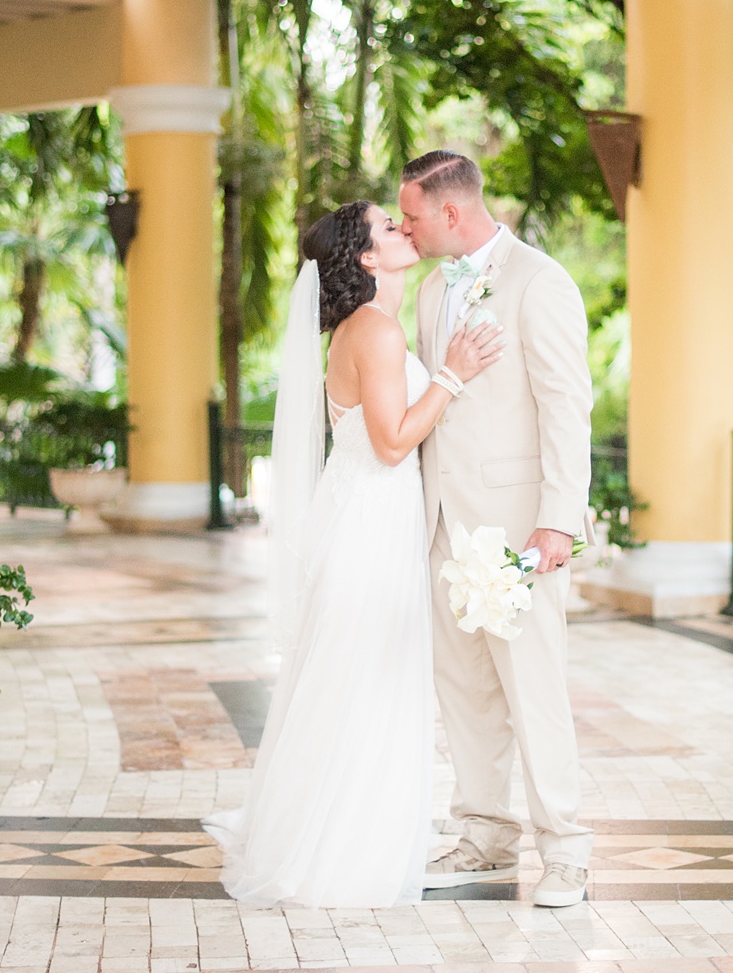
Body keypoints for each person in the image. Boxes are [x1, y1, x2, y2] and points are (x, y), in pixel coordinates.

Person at [204, 200, 504, 908]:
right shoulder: (373, 330)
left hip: (369, 515)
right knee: (364, 680)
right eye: (389, 226)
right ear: (366, 257)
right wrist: (453, 374)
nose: (405, 228)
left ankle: (351, 826)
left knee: (358, 678)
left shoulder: (369, 326)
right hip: (369, 524)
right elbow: (395, 440)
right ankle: (342, 847)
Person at [398, 150, 596, 908]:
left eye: (413, 215)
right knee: (466, 689)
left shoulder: (540, 283)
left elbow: (565, 407)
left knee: (533, 687)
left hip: (519, 534)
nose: (407, 228)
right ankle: (485, 831)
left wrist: (557, 521)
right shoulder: (425, 294)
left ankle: (567, 851)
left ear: (452, 212)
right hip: (443, 525)